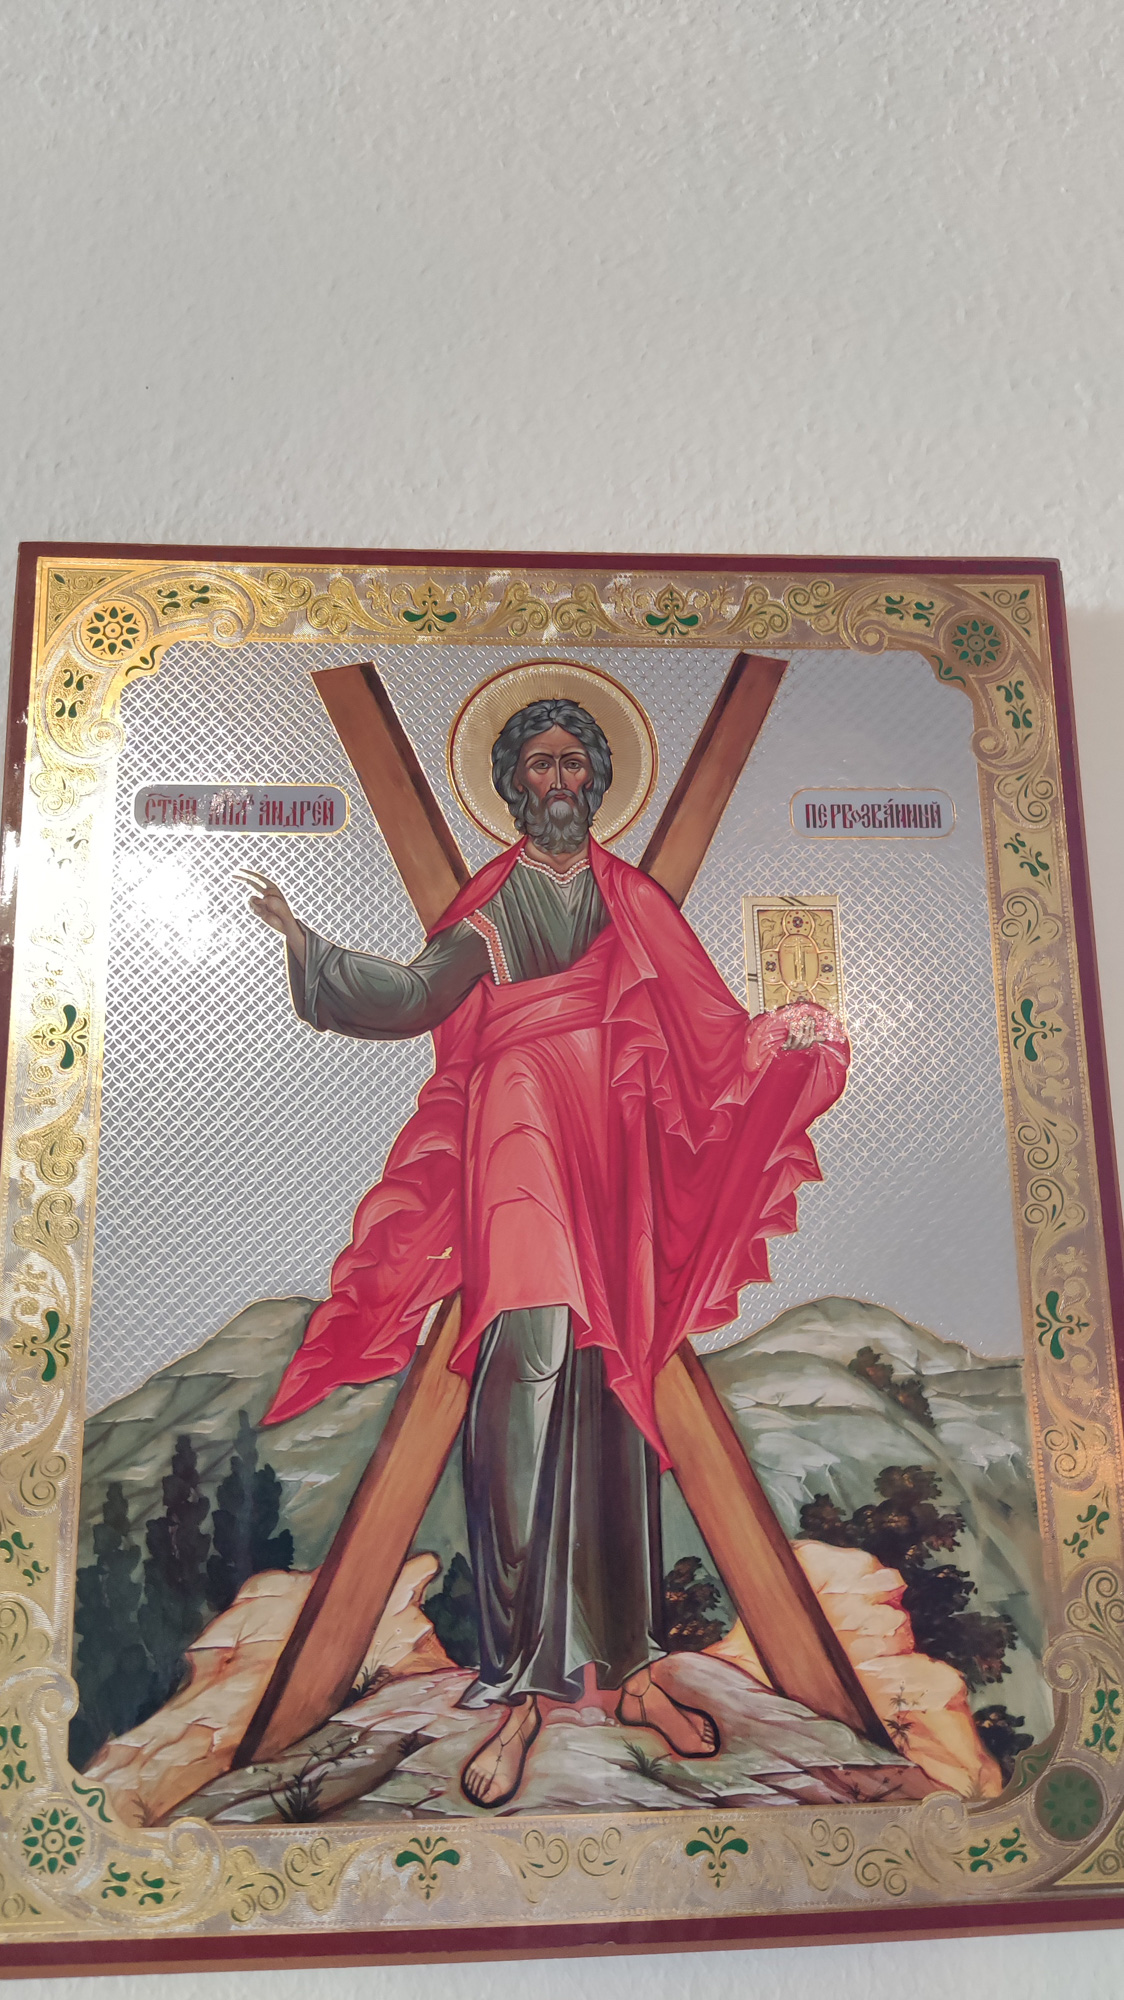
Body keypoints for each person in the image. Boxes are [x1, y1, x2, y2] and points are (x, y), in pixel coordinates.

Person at [239, 696, 846, 1810]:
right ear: (513, 784)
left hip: (608, 1153)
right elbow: (417, 995)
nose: (558, 781)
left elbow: (711, 1032)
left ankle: (629, 1666)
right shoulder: (492, 905)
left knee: (611, 1388)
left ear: (596, 780)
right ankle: (520, 1684)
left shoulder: (632, 899)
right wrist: (309, 952)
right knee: (523, 1370)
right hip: (518, 1135)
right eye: (539, 764)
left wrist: (783, 1038)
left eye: (573, 763)